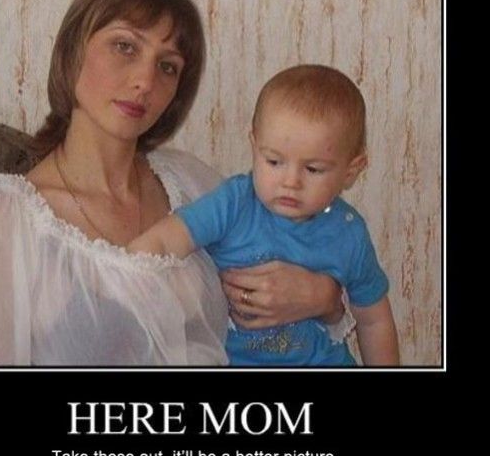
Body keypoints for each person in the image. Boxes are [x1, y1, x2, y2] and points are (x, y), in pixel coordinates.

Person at [0, 0, 348, 366]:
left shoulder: (192, 182)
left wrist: (325, 299)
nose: (145, 81)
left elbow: (298, 270)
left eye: (167, 66)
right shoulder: (8, 221)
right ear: (73, 51)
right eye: (125, 47)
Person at [128, 65, 400, 366]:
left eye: (312, 169)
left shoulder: (350, 233)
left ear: (351, 170)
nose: (291, 182)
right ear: (254, 146)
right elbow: (166, 240)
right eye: (273, 161)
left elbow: (374, 321)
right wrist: (120, 278)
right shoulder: (233, 202)